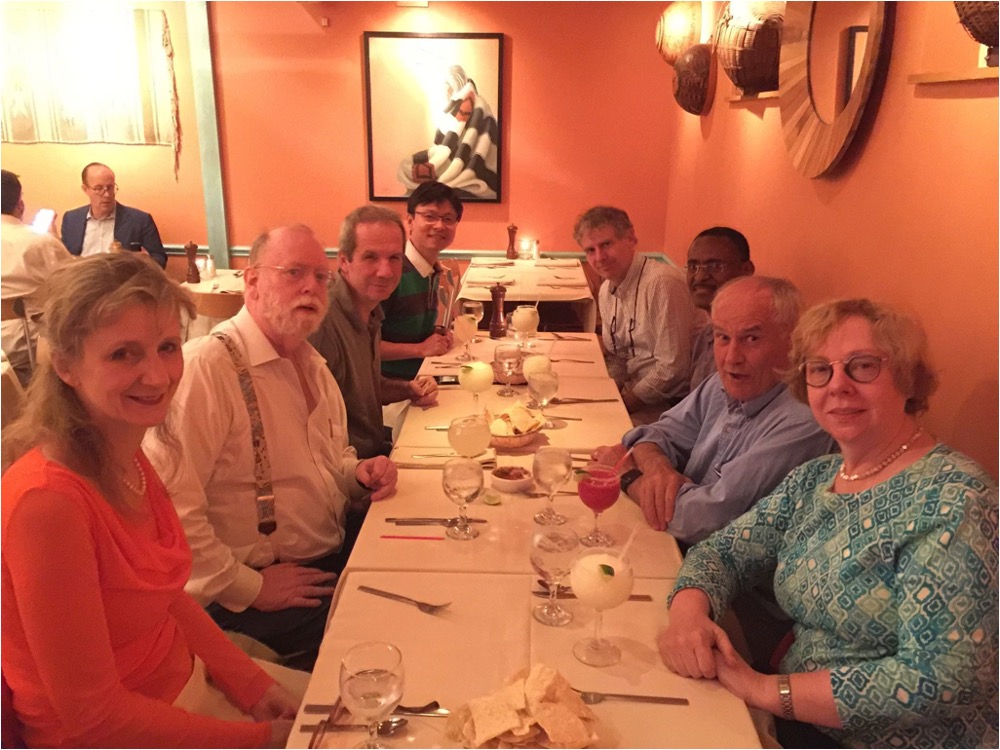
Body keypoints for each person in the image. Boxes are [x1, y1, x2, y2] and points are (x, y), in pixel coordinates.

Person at [658, 298, 999, 749]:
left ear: (906, 376)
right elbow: (725, 551)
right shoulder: (817, 478)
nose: (838, 385)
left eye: (862, 367)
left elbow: (941, 676)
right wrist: (687, 613)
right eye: (820, 369)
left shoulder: (953, 497)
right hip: (794, 711)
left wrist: (764, 690)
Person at [1, 253, 303, 747]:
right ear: (66, 365)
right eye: (123, 354)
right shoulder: (47, 504)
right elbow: (95, 718)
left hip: (182, 688)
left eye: (167, 347)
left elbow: (166, 600)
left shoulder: (127, 453)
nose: (158, 376)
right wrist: (261, 739)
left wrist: (254, 686)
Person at [145, 225, 398, 671]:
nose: (311, 287)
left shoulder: (310, 363)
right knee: (391, 634)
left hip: (322, 559)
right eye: (294, 272)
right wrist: (249, 587)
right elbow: (168, 509)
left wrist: (357, 474)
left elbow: (329, 459)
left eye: (321, 277)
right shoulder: (209, 367)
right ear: (253, 281)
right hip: (247, 595)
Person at [594, 276, 834, 546]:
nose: (732, 357)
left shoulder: (803, 419)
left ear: (793, 341)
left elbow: (704, 521)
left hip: (720, 575)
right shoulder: (724, 383)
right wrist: (658, 468)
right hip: (668, 544)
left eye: (751, 338)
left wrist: (630, 478)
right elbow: (653, 434)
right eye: (722, 337)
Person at [311, 206, 438, 459]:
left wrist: (407, 389)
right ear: (344, 261)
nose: (386, 271)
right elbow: (308, 428)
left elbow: (361, 389)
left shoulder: (370, 310)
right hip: (349, 473)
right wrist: (357, 478)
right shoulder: (322, 322)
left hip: (375, 454)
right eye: (370, 257)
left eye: (394, 258)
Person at [574, 206, 704, 425]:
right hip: (636, 392)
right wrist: (607, 393)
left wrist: (624, 404)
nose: (599, 257)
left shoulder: (661, 284)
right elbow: (617, 357)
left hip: (674, 405)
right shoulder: (607, 291)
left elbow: (672, 369)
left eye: (606, 244)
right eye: (590, 250)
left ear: (631, 238)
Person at [1, 169, 74, 385]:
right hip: (23, 348)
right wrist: (54, 239)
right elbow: (73, 287)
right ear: (20, 205)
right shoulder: (39, 242)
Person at [380, 181, 459, 380]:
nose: (440, 225)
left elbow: (399, 327)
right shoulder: (391, 272)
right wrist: (420, 348)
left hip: (424, 378)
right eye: (430, 216)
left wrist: (433, 332)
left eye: (448, 219)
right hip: (391, 391)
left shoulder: (430, 270)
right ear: (410, 220)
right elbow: (362, 345)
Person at [685, 227, 755, 390]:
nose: (700, 277)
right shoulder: (705, 336)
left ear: (746, 270)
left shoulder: (750, 345)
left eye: (715, 266)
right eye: (693, 267)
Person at [60, 162, 167, 268]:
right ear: (85, 189)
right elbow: (63, 260)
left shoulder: (140, 220)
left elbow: (160, 259)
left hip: (123, 282)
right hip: (80, 280)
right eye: (99, 188)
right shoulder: (71, 219)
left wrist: (142, 261)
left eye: (110, 187)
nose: (107, 195)